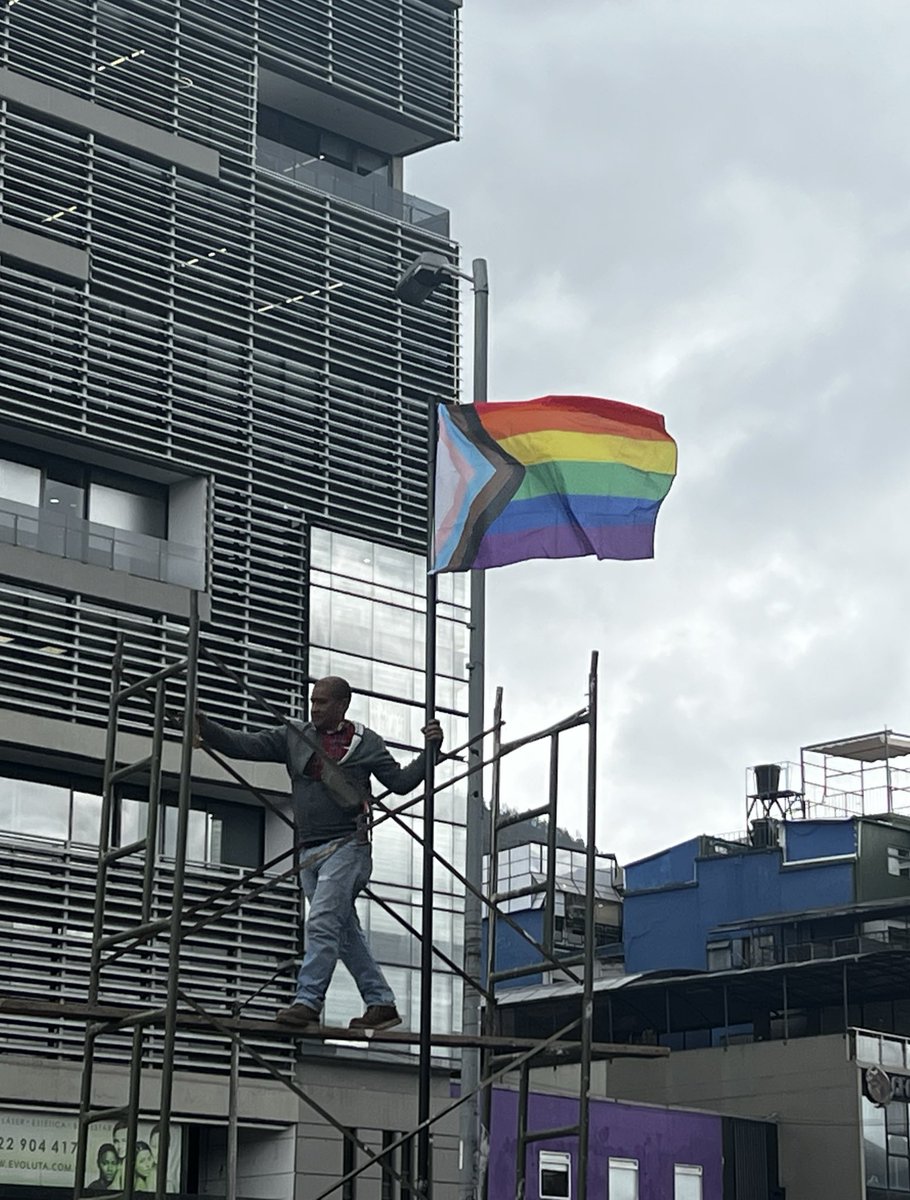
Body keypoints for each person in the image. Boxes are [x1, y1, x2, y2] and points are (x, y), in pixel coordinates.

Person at [197, 676, 443, 1031]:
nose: (314, 708)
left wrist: (430, 752)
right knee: (343, 932)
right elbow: (244, 744)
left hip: (348, 847)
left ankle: (308, 1001)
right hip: (310, 852)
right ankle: (380, 1002)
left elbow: (402, 783)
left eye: (323, 702)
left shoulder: (365, 742)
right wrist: (205, 726)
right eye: (313, 701)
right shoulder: (294, 736)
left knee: (324, 923)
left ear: (343, 704)